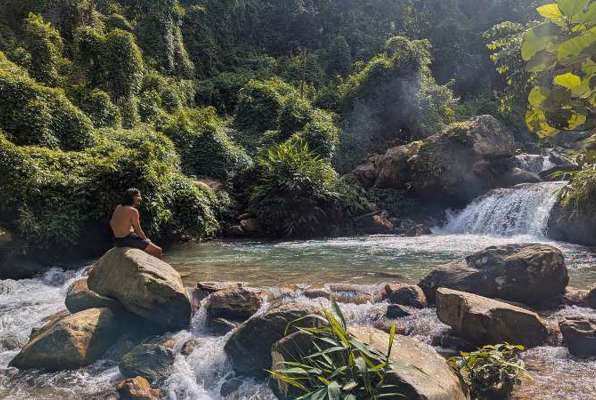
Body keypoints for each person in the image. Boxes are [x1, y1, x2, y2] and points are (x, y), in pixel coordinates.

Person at [110, 188, 162, 258]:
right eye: (138, 196)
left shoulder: (119, 207)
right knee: (158, 250)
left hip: (117, 240)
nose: (140, 198)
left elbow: (111, 223)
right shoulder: (133, 211)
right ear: (132, 197)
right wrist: (145, 240)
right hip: (128, 239)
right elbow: (138, 230)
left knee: (147, 248)